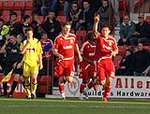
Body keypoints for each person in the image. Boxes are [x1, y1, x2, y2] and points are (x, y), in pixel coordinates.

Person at [53, 22, 82, 99]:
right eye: (66, 28)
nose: (67, 30)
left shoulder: (73, 37)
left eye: (69, 28)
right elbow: (54, 51)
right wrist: (59, 55)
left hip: (70, 61)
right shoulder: (58, 38)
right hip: (61, 62)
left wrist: (79, 55)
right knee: (61, 79)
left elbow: (75, 45)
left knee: (69, 79)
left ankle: (65, 79)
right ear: (62, 27)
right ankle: (62, 95)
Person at [93, 15, 118, 102]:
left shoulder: (112, 39)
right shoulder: (99, 38)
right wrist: (96, 22)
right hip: (100, 61)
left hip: (109, 61)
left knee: (110, 80)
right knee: (103, 82)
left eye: (106, 30)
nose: (104, 31)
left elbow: (116, 50)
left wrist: (114, 52)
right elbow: (95, 31)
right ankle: (97, 81)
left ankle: (105, 97)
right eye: (103, 30)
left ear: (109, 31)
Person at [20, 27, 43, 99]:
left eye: (30, 33)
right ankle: (28, 93)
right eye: (28, 34)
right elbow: (22, 52)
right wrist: (27, 44)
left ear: (32, 33)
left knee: (34, 78)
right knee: (26, 79)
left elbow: (39, 53)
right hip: (26, 62)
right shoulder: (24, 42)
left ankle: (33, 92)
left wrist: (41, 63)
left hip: (35, 63)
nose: (29, 35)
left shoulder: (37, 42)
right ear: (26, 34)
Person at [79, 32, 97, 100]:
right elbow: (81, 55)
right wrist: (89, 61)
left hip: (93, 64)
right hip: (85, 64)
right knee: (85, 80)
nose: (94, 38)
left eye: (95, 37)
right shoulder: (85, 44)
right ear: (89, 37)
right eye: (93, 36)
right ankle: (80, 94)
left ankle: (86, 90)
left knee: (95, 80)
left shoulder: (96, 45)